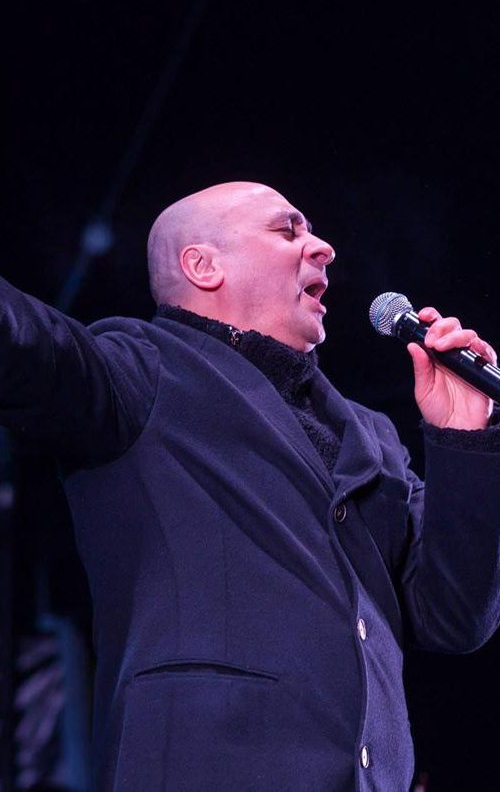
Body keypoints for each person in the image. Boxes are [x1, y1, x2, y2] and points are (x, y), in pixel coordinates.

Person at [2, 180, 499, 791]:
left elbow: (456, 618)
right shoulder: (142, 374)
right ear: (203, 266)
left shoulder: (371, 437)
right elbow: (23, 338)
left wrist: (464, 440)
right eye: (288, 230)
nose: (324, 248)